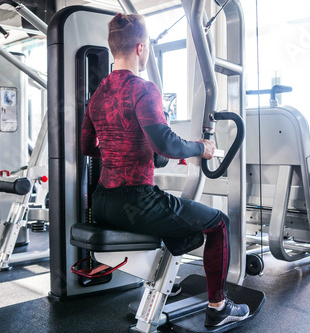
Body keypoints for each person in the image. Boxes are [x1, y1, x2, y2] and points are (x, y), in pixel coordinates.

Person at [80, 13, 249, 327]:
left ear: (113, 47)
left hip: (102, 202)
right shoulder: (144, 89)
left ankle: (170, 278)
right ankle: (218, 307)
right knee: (218, 223)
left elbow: (88, 147)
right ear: (141, 48)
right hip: (136, 202)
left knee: (180, 220)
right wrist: (202, 147)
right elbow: (167, 146)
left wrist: (127, 148)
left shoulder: (98, 94)